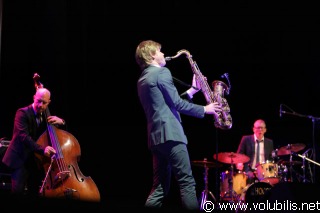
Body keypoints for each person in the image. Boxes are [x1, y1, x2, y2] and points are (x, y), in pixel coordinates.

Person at [135, 40, 222, 211]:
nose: (163, 54)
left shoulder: (143, 79)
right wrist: (206, 109)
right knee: (187, 183)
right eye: (160, 51)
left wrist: (192, 90)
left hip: (156, 138)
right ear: (152, 55)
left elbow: (167, 103)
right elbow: (177, 105)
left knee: (159, 188)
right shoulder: (162, 72)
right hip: (172, 135)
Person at [2, 87, 66, 196]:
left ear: (48, 103)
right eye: (38, 101)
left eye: (44, 102)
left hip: (35, 161)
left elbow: (61, 135)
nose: (40, 105)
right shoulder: (22, 113)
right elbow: (23, 137)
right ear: (34, 98)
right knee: (18, 191)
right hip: (20, 160)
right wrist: (42, 149)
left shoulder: (46, 116)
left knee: (35, 192)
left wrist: (62, 122)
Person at [236, 119, 274, 185]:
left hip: (264, 171)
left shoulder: (269, 142)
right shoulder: (246, 139)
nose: (260, 130)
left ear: (265, 130)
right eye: (258, 128)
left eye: (262, 128)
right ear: (253, 129)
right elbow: (239, 154)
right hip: (249, 170)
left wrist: (270, 173)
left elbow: (270, 159)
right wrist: (239, 162)